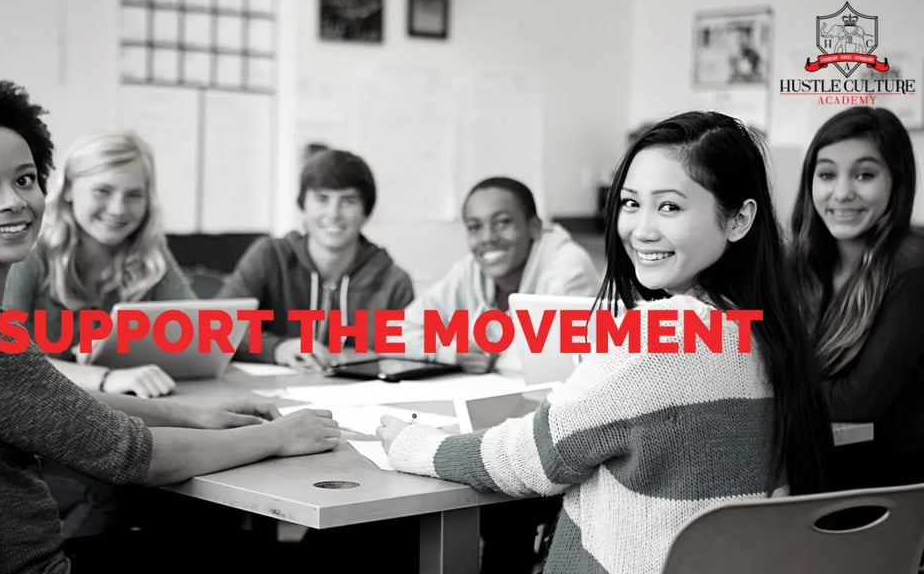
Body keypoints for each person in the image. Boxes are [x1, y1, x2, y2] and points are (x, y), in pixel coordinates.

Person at [0, 74, 341, 574]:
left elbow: (45, 397)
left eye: (25, 179)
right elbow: (131, 456)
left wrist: (189, 414)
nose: (14, 201)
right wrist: (275, 437)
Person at [379, 112, 834, 574]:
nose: (641, 230)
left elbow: (531, 459)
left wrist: (414, 444)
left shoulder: (669, 334)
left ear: (739, 219)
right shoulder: (764, 325)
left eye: (670, 207)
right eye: (631, 204)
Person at [790, 106, 924, 490]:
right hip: (815, 472)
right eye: (827, 174)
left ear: (896, 184)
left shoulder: (912, 269)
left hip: (890, 496)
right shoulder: (798, 262)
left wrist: (783, 383)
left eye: (865, 175)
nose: (842, 192)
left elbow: (855, 403)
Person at [4, 131, 194, 399]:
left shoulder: (149, 252)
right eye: (103, 191)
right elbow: (4, 358)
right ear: (68, 188)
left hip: (124, 408)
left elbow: (202, 337)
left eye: (134, 195)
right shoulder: (30, 251)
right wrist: (105, 377)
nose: (118, 209)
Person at [217, 148, 414, 369]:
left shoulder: (393, 283)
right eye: (322, 199)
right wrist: (278, 348)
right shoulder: (270, 257)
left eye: (348, 201)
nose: (333, 213)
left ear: (365, 212)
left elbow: (409, 353)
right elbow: (216, 329)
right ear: (303, 205)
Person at [401, 176, 600, 374]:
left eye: (503, 222)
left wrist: (483, 350)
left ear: (534, 227)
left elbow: (561, 364)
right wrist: (453, 351)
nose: (487, 238)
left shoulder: (569, 268)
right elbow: (396, 334)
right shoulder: (470, 269)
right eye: (475, 227)